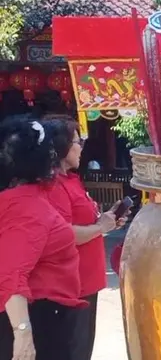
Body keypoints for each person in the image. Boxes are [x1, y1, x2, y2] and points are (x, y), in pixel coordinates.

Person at [0, 115, 85, 360]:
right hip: (38, 318)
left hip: (45, 313)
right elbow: (11, 273)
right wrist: (23, 334)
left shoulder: (24, 198)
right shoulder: (25, 208)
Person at [41, 116, 126, 360]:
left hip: (86, 282)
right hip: (70, 286)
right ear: (61, 146)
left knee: (82, 348)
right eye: (78, 141)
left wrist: (107, 221)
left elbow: (86, 223)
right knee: (72, 351)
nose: (82, 147)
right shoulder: (53, 185)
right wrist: (100, 228)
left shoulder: (71, 180)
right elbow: (63, 234)